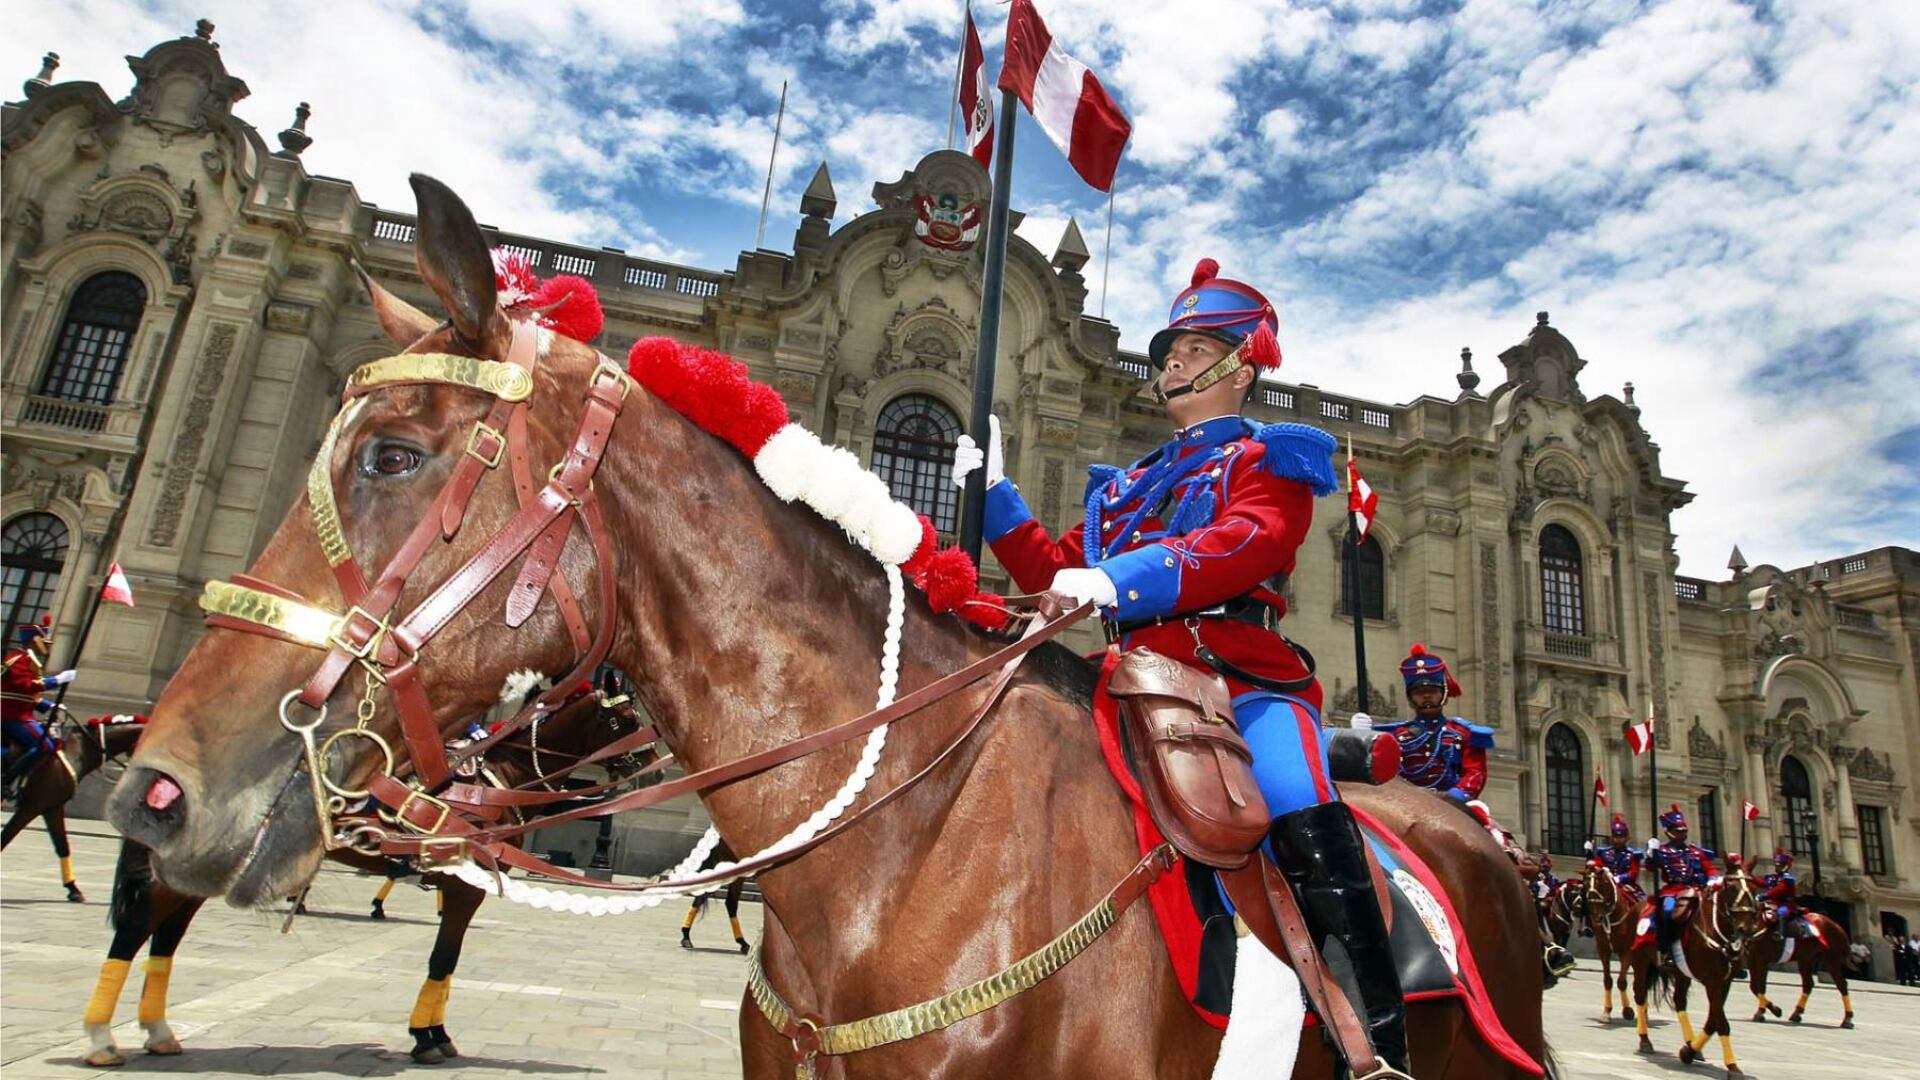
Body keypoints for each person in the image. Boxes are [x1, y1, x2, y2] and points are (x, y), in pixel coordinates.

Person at [954, 259, 1406, 1076]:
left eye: (1195, 349)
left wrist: (1120, 579)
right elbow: (1053, 566)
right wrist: (993, 493)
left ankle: (1371, 1042)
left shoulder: (1273, 460)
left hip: (1241, 686)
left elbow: (1246, 544)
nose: (1172, 361)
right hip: (1130, 681)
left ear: (1242, 363)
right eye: (1170, 348)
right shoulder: (1125, 487)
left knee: (1296, 797)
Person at [1373, 643, 1491, 803]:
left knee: (1492, 829)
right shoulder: (1395, 734)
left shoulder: (1464, 733)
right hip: (1407, 804)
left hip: (1454, 803)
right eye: (1419, 693)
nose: (1426, 696)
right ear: (1410, 698)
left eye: (1433, 692)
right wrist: (1362, 735)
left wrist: (1457, 796)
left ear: (1444, 694)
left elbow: (1476, 772)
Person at [2, 615, 73, 798]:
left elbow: (22, 694)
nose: (47, 645)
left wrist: (50, 706)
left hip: (16, 711)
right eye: (44, 640)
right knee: (45, 746)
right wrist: (55, 680)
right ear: (34, 640)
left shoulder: (27, 659)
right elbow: (23, 686)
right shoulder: (21, 659)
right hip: (12, 715)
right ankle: (5, 781)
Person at [1648, 804, 1720, 967]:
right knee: (1667, 910)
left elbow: (1709, 868)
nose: (1682, 834)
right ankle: (1668, 951)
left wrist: (1712, 879)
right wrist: (1651, 853)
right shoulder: (1663, 851)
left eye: (1684, 831)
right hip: (1673, 890)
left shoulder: (1695, 852)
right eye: (1678, 831)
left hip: (1696, 890)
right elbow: (1651, 868)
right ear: (1668, 832)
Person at [1759, 848, 1823, 943]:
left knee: (1782, 912)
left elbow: (1779, 889)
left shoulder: (1788, 879)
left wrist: (1765, 895)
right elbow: (1762, 883)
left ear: (1785, 866)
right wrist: (1748, 877)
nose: (1776, 867)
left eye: (1779, 865)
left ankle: (1780, 933)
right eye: (1776, 865)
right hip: (1773, 903)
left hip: (1786, 904)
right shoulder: (1774, 878)